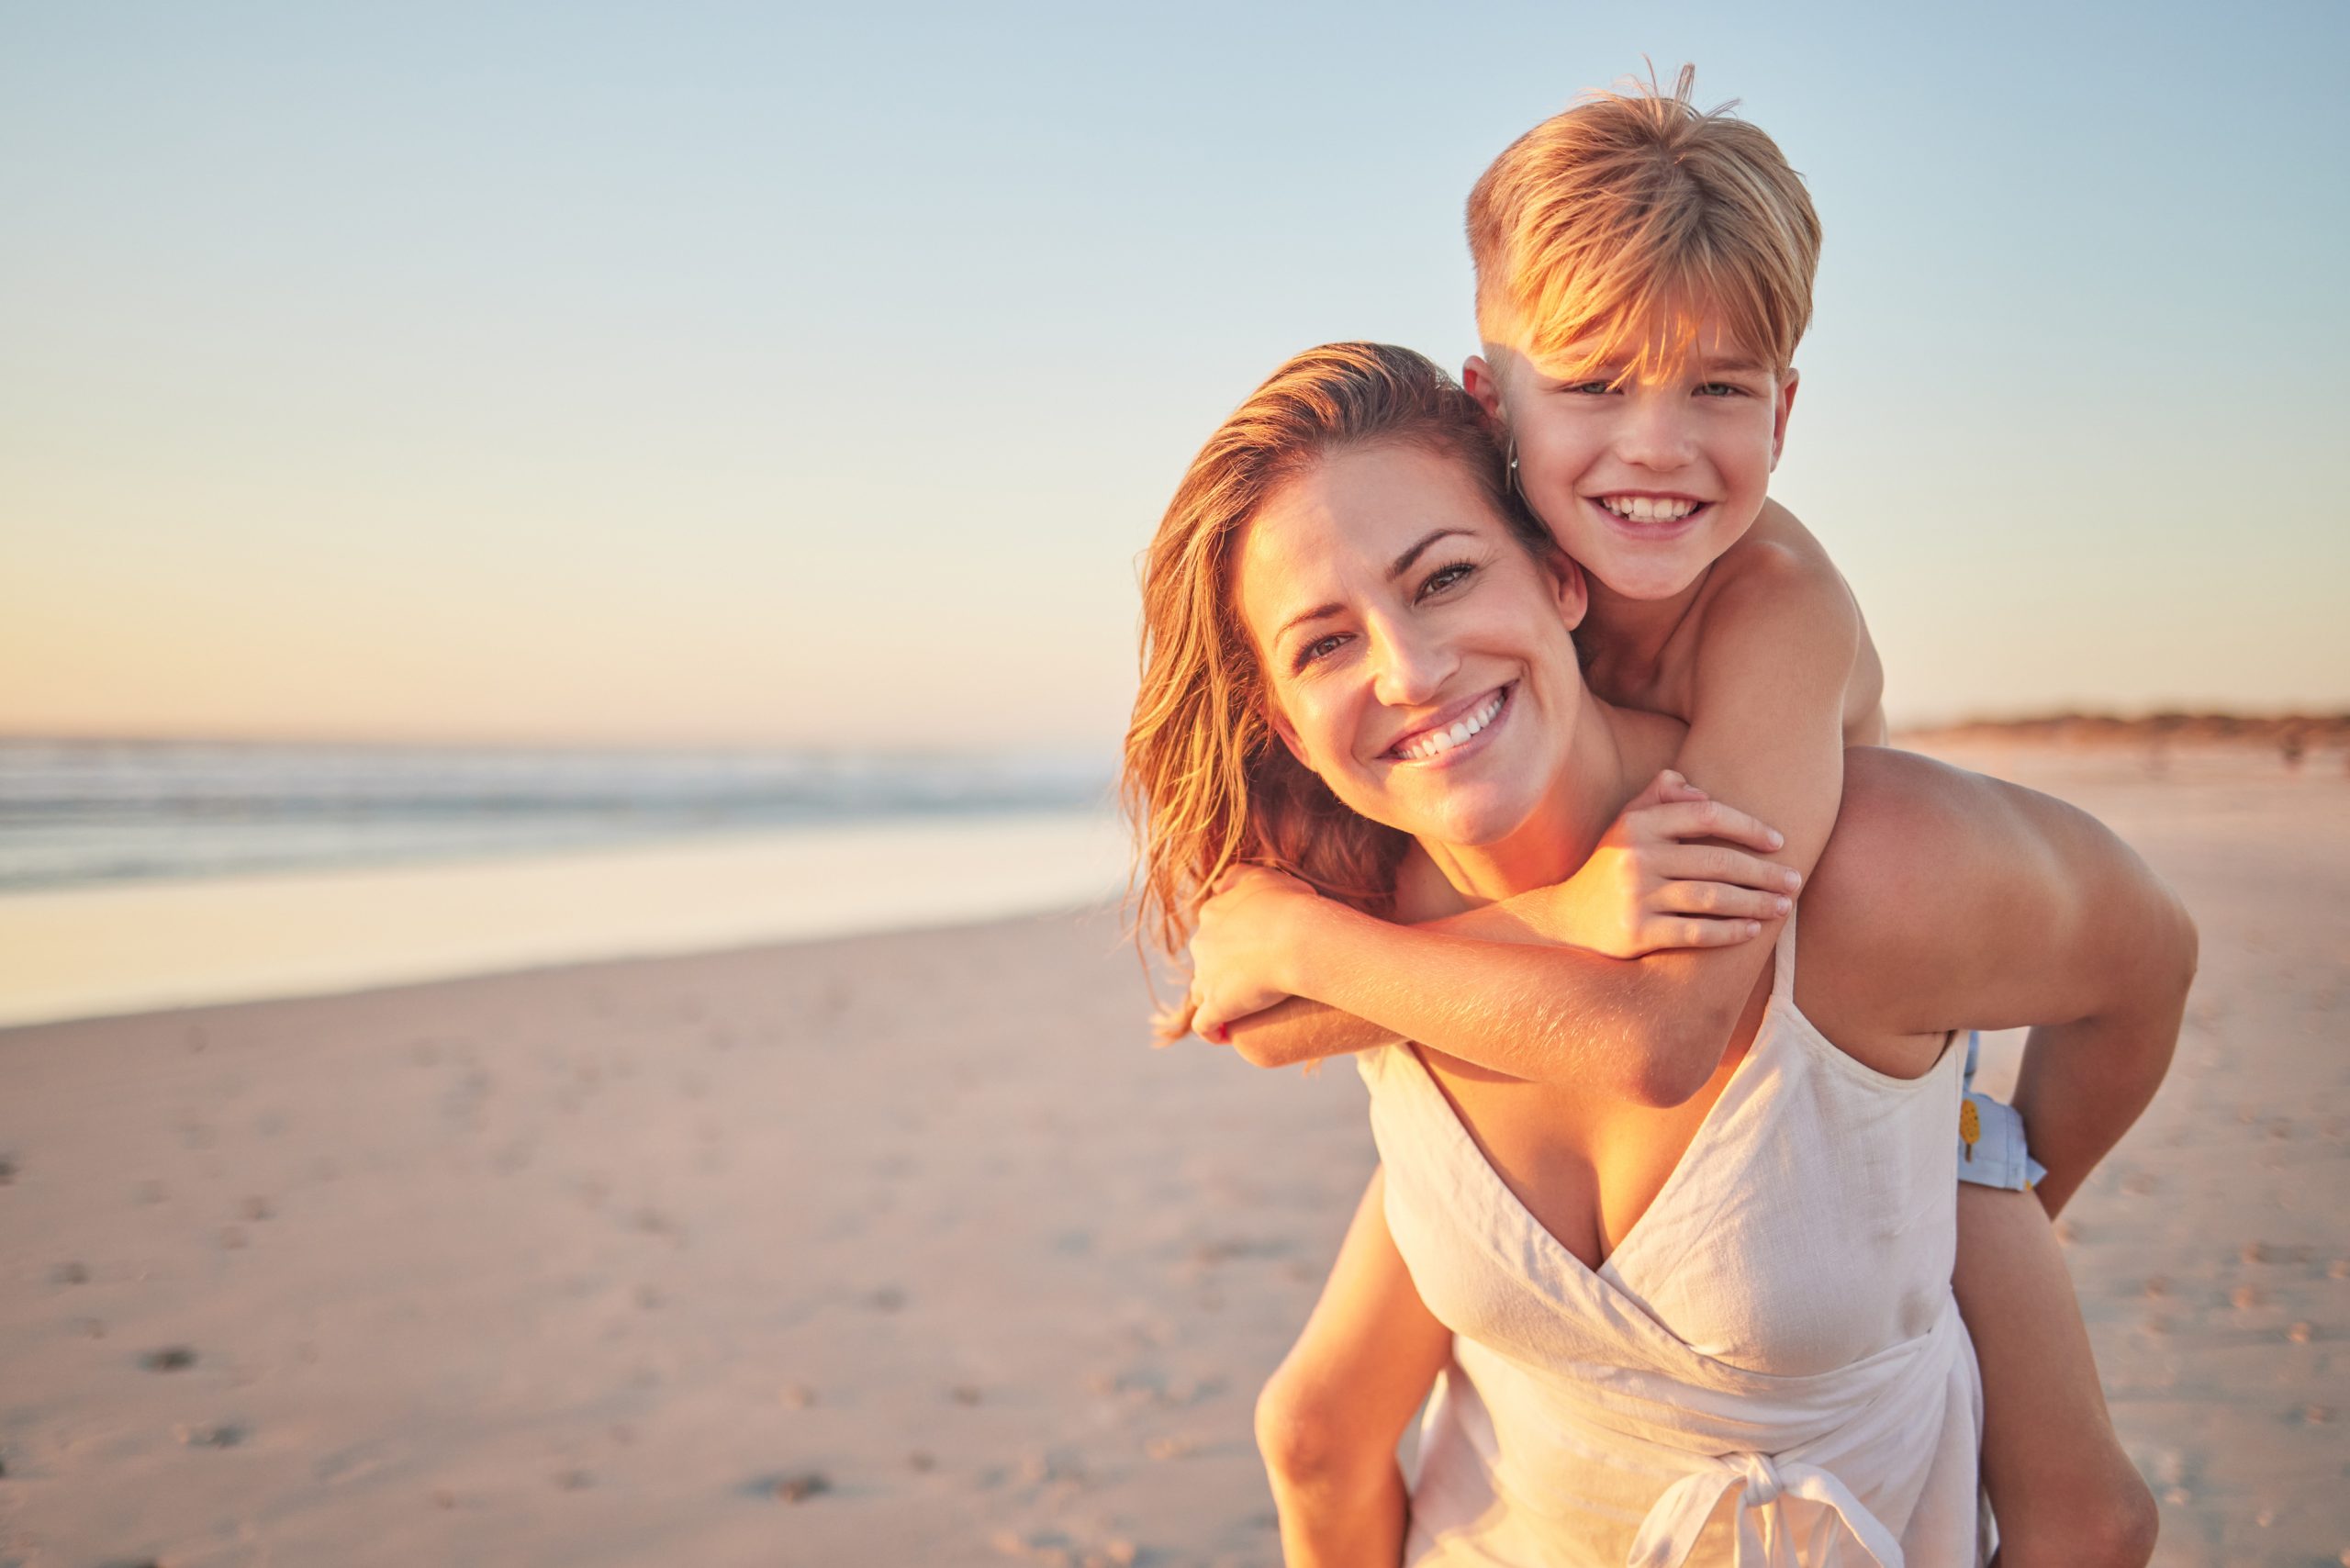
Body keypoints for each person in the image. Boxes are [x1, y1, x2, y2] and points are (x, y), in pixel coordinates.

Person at [1163, 73, 2164, 1565]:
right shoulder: (1484, 612)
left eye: (1718, 389)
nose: (1653, 451)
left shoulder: (1773, 609)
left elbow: (1668, 1029)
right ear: (1492, 408)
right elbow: (1282, 1015)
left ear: (1786, 407)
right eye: (1594, 384)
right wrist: (1540, 914)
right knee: (1313, 1416)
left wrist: (1991, 1187)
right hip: (1585, 1010)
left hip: (1813, 1040)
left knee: (1951, 1170)